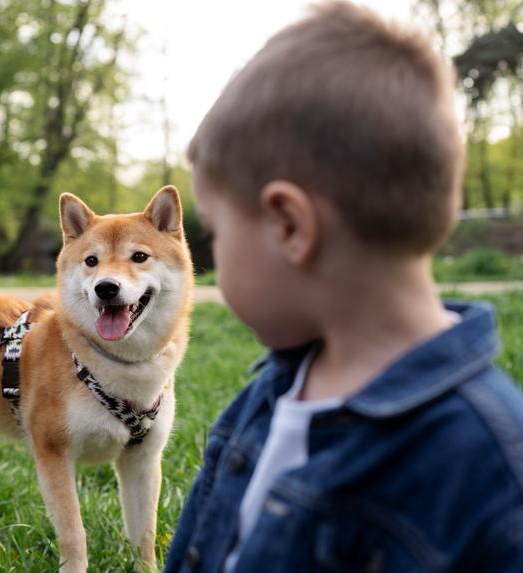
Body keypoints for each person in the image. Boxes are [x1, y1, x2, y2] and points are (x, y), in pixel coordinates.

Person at [164, 2, 523, 572]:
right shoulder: (268, 396)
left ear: (289, 227)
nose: (214, 256)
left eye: (216, 231)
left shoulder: (490, 474)